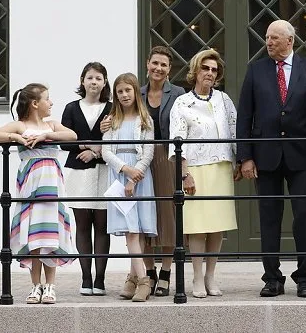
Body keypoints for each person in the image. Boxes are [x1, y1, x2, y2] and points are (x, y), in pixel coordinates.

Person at [237, 19, 306, 298]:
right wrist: (245, 157)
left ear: (290, 41)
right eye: (267, 37)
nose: (269, 42)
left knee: (303, 218)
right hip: (266, 156)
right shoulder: (256, 69)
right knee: (269, 218)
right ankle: (272, 278)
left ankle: (303, 277)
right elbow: (245, 115)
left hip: (303, 156)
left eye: (274, 38)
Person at [0, 83, 77, 304]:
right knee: (34, 235)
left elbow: (72, 135)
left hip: (52, 189)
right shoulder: (20, 126)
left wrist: (46, 136)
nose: (52, 103)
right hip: (31, 189)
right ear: (36, 103)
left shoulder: (51, 125)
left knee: (50, 234)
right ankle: (35, 285)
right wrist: (16, 138)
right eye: (48, 99)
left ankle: (50, 286)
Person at [169, 49, 239, 298]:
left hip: (221, 167)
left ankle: (211, 275)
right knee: (197, 226)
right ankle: (197, 276)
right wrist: (184, 174)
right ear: (195, 71)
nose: (210, 73)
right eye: (205, 68)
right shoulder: (182, 102)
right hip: (195, 170)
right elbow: (176, 140)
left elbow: (233, 130)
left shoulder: (224, 99)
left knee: (217, 226)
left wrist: (237, 161)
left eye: (214, 69)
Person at [102, 73, 157, 302]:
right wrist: (125, 171)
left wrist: (135, 178)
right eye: (120, 91)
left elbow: (148, 153)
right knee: (130, 230)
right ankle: (141, 280)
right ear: (115, 95)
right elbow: (106, 152)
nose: (124, 95)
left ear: (136, 92)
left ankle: (136, 279)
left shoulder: (145, 120)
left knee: (138, 231)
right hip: (119, 176)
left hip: (140, 178)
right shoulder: (112, 121)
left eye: (128, 90)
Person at [61, 62, 112, 296]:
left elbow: (117, 137)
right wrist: (84, 144)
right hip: (78, 173)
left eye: (98, 78)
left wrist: (96, 151)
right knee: (82, 225)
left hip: (104, 171)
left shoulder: (112, 108)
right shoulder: (71, 108)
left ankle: (100, 280)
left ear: (104, 82)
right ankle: (86, 279)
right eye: (90, 77)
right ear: (82, 81)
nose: (94, 82)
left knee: (102, 225)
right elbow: (63, 140)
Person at [140, 46, 185, 296]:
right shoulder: (137, 93)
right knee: (144, 214)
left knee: (167, 215)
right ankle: (149, 272)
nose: (158, 68)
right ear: (148, 64)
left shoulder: (178, 93)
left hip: (167, 158)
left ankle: (166, 272)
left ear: (169, 69)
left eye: (164, 65)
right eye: (155, 63)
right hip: (141, 160)